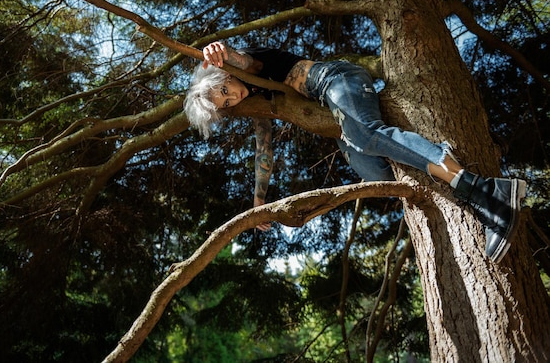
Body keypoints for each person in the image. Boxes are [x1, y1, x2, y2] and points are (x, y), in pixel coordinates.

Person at [184, 41, 526, 263]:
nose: (234, 97)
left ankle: (481, 189)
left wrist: (225, 54)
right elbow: (264, 149)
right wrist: (259, 202)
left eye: (226, 88)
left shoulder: (249, 65)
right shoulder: (259, 102)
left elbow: (247, 62)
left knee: (364, 135)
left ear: (223, 74)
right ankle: (431, 156)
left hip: (335, 79)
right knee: (375, 174)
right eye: (227, 103)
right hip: (332, 113)